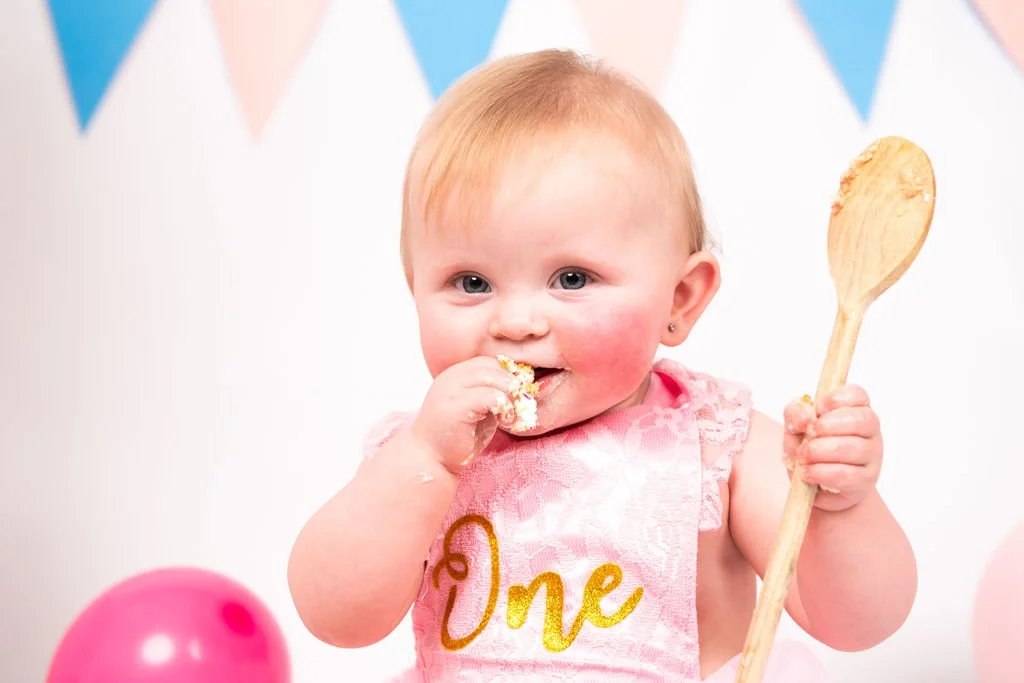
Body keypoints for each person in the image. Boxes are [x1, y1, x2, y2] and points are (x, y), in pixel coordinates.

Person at [287, 49, 917, 681]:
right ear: (414, 288)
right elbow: (336, 619)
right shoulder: (420, 455)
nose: (515, 322)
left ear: (679, 298)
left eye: (571, 278)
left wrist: (841, 506)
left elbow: (857, 621)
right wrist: (422, 461)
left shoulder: (716, 439)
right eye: (471, 281)